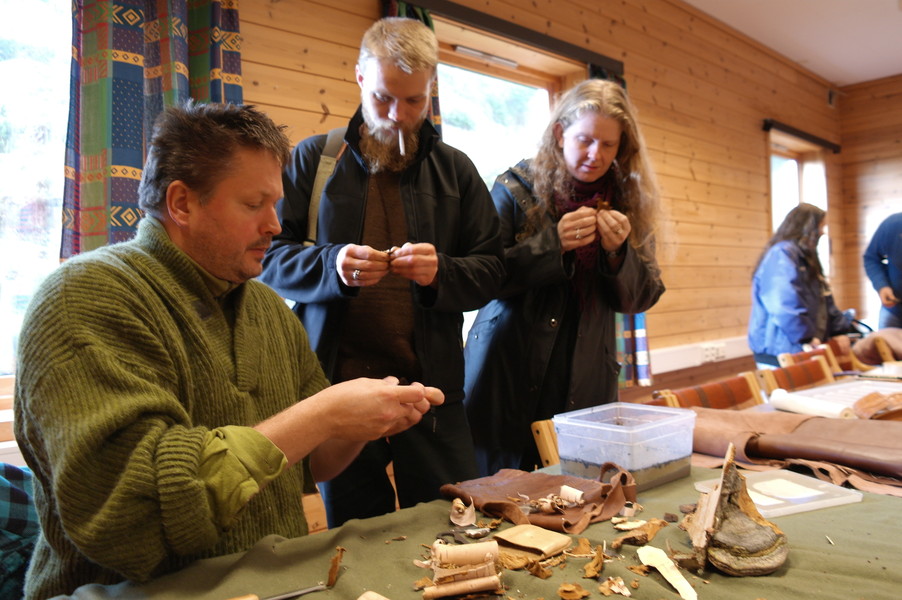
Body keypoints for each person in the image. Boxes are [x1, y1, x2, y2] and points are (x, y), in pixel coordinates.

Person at [13, 101, 443, 599]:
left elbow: (313, 463)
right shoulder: (85, 297)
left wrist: (357, 423)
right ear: (181, 203)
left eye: (275, 204)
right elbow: (133, 520)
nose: (275, 225)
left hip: (278, 587)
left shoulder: (266, 307)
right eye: (254, 204)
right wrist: (323, 414)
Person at [258, 18, 503, 528]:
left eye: (414, 101)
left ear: (431, 89)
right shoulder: (315, 160)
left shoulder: (457, 170)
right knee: (355, 538)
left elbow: (491, 271)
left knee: (451, 526)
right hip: (336, 391)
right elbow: (267, 257)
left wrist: (440, 273)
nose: (398, 115)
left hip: (433, 394)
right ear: (359, 77)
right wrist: (331, 265)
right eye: (384, 97)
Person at [461, 79, 666, 476]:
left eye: (608, 145)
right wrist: (551, 245)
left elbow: (641, 298)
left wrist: (618, 254)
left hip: (586, 379)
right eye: (585, 140)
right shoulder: (515, 187)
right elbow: (480, 277)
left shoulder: (629, 202)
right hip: (507, 374)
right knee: (498, 489)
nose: (595, 154)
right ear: (559, 133)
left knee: (577, 490)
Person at [748, 203, 854, 367]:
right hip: (781, 351)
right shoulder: (782, 254)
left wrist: (839, 330)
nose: (822, 232)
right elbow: (782, 303)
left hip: (801, 348)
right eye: (820, 226)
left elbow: (824, 297)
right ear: (806, 227)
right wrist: (805, 337)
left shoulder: (806, 256)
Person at [863, 212, 902, 329]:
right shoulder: (893, 224)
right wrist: (882, 286)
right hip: (895, 308)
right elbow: (871, 258)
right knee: (884, 339)